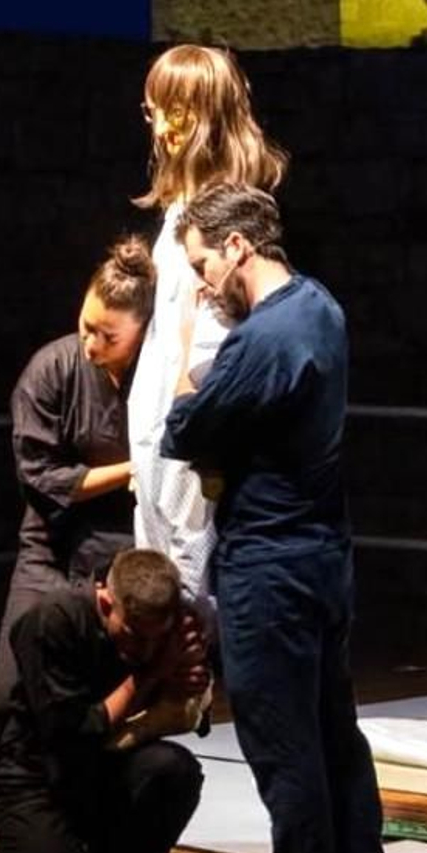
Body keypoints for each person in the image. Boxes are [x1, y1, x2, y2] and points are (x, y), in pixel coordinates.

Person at [163, 184, 388, 853]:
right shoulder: (321, 307)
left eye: (203, 265)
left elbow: (185, 428)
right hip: (323, 554)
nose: (202, 285)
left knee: (281, 734)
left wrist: (187, 375)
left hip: (271, 562)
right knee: (332, 729)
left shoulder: (265, 336)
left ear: (237, 247)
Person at [0, 548, 209, 853]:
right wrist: (152, 675)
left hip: (101, 766)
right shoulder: (54, 621)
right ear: (105, 603)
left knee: (174, 770)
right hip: (33, 779)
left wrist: (187, 683)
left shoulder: (164, 629)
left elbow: (190, 718)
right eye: (135, 637)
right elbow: (72, 732)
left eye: (155, 640)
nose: (145, 649)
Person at [127, 44, 287, 614]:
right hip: (159, 411)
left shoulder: (224, 217)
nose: (161, 128)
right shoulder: (181, 208)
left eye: (173, 111)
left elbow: (216, 334)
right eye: (155, 111)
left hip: (189, 410)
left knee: (186, 566)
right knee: (157, 563)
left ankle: (192, 666)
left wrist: (190, 418)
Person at [0, 235, 154, 721]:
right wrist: (136, 469)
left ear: (143, 331)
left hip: (128, 557)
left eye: (109, 337)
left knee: (118, 698)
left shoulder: (160, 379)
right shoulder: (52, 370)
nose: (92, 345)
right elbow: (42, 476)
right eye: (86, 327)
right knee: (12, 698)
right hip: (52, 550)